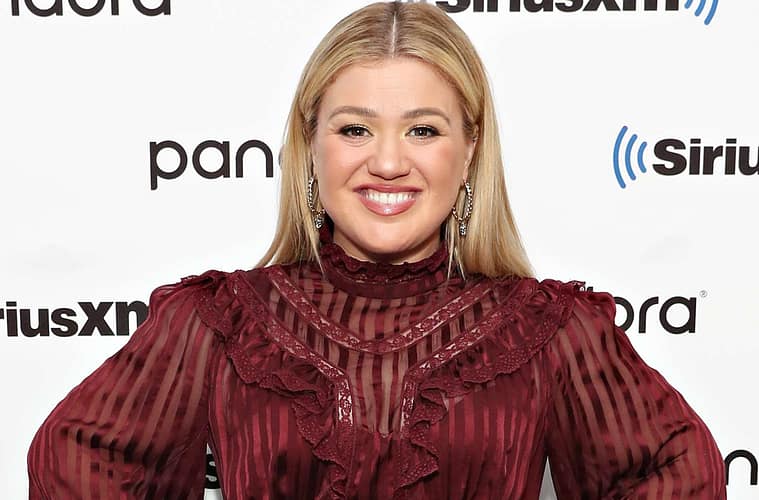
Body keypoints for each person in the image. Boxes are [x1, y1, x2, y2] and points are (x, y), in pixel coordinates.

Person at [27, 2, 726, 499]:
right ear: (310, 146)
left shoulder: (549, 330)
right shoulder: (218, 321)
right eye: (355, 130)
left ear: (469, 150)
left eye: (423, 130)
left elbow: (679, 472)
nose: (388, 163)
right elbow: (75, 459)